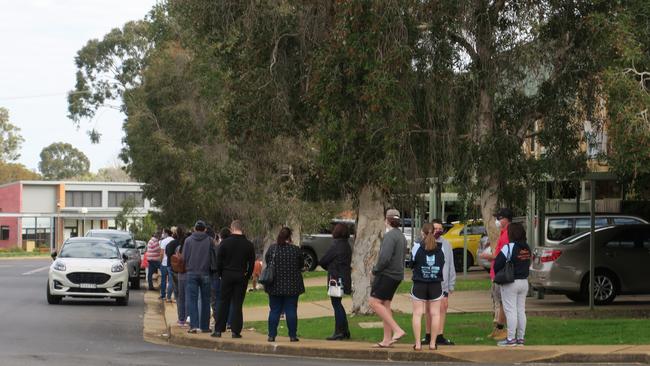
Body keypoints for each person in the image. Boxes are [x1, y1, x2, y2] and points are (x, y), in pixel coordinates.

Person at [369, 209, 407, 348]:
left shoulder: (390, 236)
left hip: (387, 275)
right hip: (397, 275)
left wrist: (375, 270)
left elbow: (384, 258)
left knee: (373, 302)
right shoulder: (401, 236)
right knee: (385, 305)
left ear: (387, 220)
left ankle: (397, 330)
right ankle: (387, 339)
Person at [213, 220, 255, 338]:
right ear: (242, 229)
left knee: (223, 301)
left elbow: (219, 261)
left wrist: (221, 274)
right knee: (237, 303)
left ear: (232, 229)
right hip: (241, 275)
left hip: (227, 274)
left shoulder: (225, 243)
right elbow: (251, 264)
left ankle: (218, 330)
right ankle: (236, 331)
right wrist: (247, 276)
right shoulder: (248, 245)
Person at [264, 227, 305, 342]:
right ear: (290, 237)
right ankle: (292, 335)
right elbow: (301, 265)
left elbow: (268, 262)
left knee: (274, 310)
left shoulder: (273, 249)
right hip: (292, 286)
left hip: (275, 285)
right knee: (291, 310)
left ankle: (271, 335)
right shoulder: (295, 250)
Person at [494, 223, 531, 346]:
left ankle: (511, 339)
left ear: (511, 234)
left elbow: (497, 263)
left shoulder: (509, 247)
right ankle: (520, 338)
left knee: (510, 311)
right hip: (524, 282)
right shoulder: (527, 248)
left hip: (510, 282)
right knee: (521, 310)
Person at [410, 222, 445, 350]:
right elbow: (442, 263)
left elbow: (411, 263)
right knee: (435, 314)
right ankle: (432, 343)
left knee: (417, 313)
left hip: (419, 283)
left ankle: (418, 344)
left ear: (422, 233)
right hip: (435, 284)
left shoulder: (417, 247)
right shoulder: (441, 247)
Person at [480, 207, 513, 340]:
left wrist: (488, 256)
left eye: (499, 218)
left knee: (503, 303)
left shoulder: (507, 235)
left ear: (506, 219)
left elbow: (502, 255)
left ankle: (504, 330)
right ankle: (499, 328)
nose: (497, 221)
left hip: (501, 273)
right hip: (497, 272)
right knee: (499, 302)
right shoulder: (503, 233)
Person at [319, 223, 352, 341]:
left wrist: (329, 267)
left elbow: (323, 260)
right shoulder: (347, 245)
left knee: (336, 304)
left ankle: (339, 331)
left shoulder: (336, 245)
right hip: (345, 277)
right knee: (338, 304)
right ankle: (345, 330)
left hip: (336, 279)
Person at [183, 220, 213, 334]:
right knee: (206, 300)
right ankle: (205, 326)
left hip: (191, 273)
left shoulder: (188, 240)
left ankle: (194, 326)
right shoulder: (210, 241)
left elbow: (184, 257)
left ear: (195, 229)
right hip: (205, 272)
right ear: (205, 229)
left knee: (192, 300)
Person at [210, 227, 230, 337]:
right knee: (229, 300)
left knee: (217, 300)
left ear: (221, 237)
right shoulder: (232, 247)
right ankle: (229, 322)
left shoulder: (218, 247)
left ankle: (219, 321)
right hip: (227, 276)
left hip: (217, 276)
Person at [167, 226, 187, 326]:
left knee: (178, 295)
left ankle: (181, 318)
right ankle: (186, 317)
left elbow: (168, 253)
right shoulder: (185, 244)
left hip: (175, 271)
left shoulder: (172, 244)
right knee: (186, 296)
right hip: (186, 272)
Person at [159, 228, 174, 301]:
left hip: (164, 263)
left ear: (166, 233)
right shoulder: (173, 240)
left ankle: (163, 295)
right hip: (172, 264)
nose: (162, 234)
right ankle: (169, 296)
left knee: (163, 280)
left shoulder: (163, 241)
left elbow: (161, 253)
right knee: (171, 280)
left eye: (163, 232)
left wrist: (160, 261)